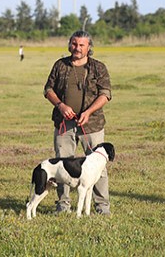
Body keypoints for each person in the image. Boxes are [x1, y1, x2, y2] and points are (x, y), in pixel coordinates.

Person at [43, 30, 112, 215]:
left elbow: (105, 94)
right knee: (62, 166)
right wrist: (60, 105)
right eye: (74, 44)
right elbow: (48, 89)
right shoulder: (60, 65)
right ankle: (63, 206)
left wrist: (89, 112)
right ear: (69, 44)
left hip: (92, 124)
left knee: (99, 167)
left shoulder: (99, 68)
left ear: (89, 47)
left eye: (81, 45)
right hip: (64, 124)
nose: (77, 48)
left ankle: (102, 207)